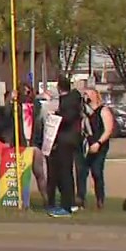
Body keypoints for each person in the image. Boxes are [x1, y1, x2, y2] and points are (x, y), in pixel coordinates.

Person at [46, 78, 83, 217]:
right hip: (68, 140)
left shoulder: (68, 101)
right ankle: (69, 203)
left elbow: (67, 119)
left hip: (66, 140)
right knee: (64, 173)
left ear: (59, 88)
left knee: (65, 173)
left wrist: (55, 116)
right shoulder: (73, 100)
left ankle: (66, 207)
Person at [77, 88, 115, 210]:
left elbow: (108, 129)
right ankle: (80, 200)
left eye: (87, 94)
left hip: (99, 146)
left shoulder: (103, 110)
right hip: (85, 146)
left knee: (97, 172)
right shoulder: (83, 111)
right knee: (81, 172)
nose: (85, 96)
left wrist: (98, 143)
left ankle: (100, 200)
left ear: (94, 95)